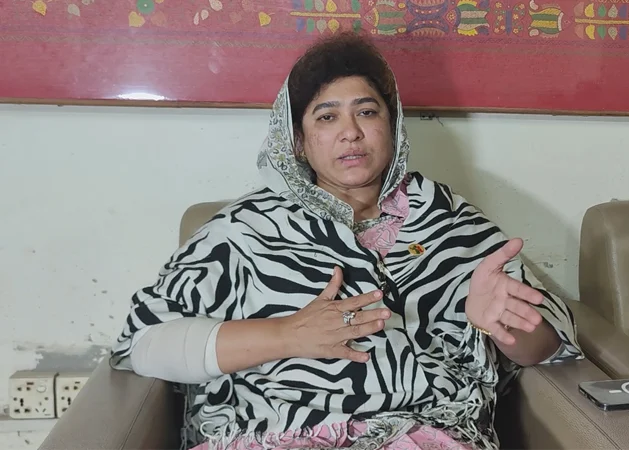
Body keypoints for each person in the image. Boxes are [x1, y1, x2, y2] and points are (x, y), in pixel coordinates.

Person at [110, 32, 582, 450]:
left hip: (424, 434)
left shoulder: (453, 224)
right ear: (298, 140)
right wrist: (286, 334)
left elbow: (548, 348)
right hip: (273, 435)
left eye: (367, 112)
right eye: (327, 117)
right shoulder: (244, 230)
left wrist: (505, 325)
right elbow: (143, 343)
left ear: (393, 127)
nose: (351, 132)